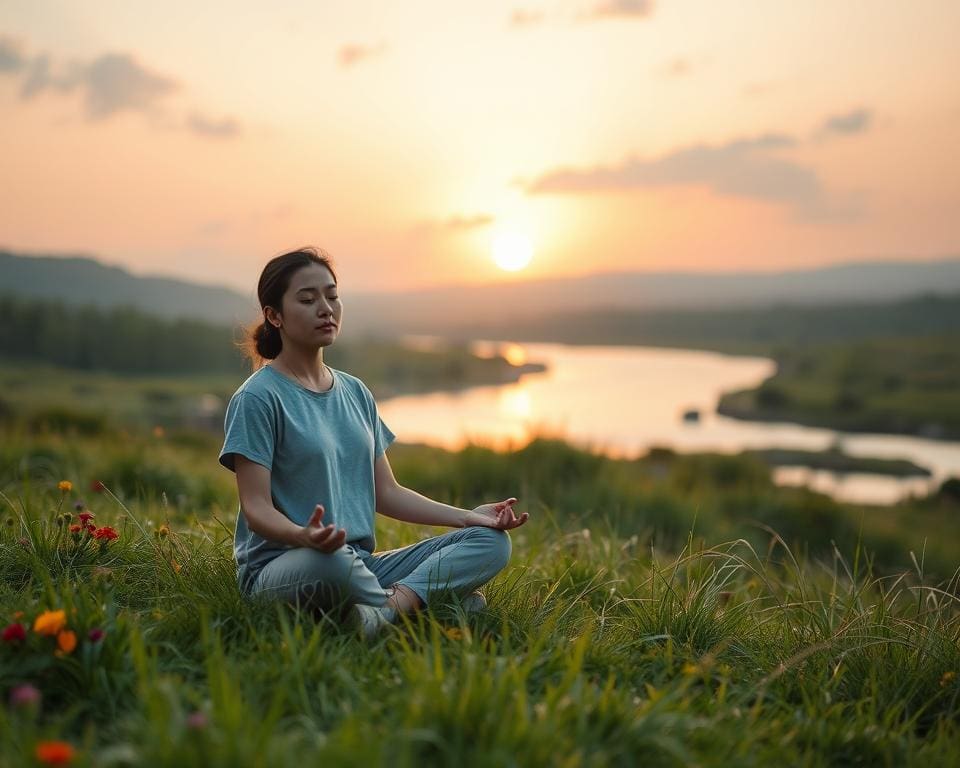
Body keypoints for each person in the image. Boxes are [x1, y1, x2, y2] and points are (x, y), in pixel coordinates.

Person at [218, 247, 528, 637]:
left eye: (332, 295)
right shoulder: (258, 398)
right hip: (286, 568)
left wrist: (468, 517)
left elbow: (387, 492)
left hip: (358, 565)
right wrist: (303, 536)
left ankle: (386, 610)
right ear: (274, 315)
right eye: (307, 299)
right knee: (333, 563)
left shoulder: (355, 391)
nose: (325, 308)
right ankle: (419, 607)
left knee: (491, 543)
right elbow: (257, 507)